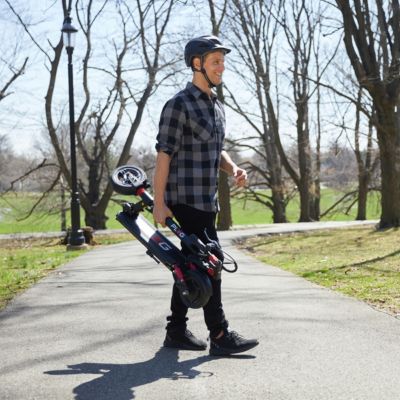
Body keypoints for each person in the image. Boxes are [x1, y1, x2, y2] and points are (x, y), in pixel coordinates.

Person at [153, 35, 259, 356]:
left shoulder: (217, 106)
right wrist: (159, 202)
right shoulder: (178, 104)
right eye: (216, 61)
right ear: (197, 64)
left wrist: (233, 168)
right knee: (210, 264)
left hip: (207, 202)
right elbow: (164, 155)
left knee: (189, 266)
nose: (221, 67)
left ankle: (176, 331)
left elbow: (217, 149)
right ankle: (220, 334)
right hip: (184, 200)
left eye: (223, 61)